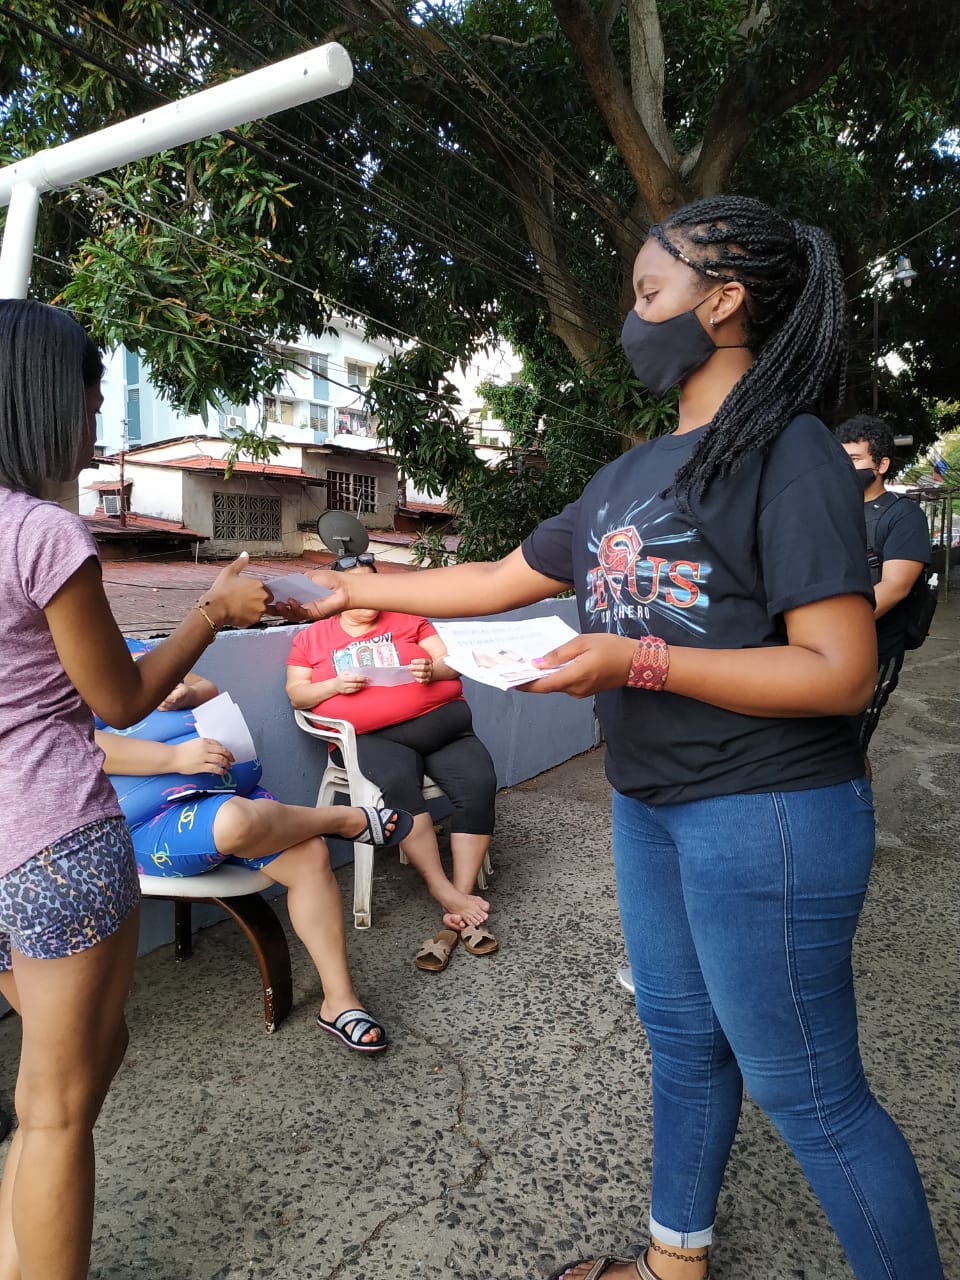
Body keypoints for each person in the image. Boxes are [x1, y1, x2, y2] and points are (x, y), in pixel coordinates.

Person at [291, 198, 943, 1280]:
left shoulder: (793, 453)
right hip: (649, 804)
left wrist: (637, 660)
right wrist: (345, 592)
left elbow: (838, 671)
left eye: (649, 293)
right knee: (683, 1044)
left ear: (722, 302)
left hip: (768, 810)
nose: (633, 318)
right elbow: (497, 578)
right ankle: (671, 1262)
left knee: (811, 1095)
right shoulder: (629, 476)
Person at [0, 299, 269, 1280]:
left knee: (69, 1072)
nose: (98, 422)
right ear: (45, 402)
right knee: (58, 1107)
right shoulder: (40, 534)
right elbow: (118, 699)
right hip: (51, 843)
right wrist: (212, 612)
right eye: (91, 400)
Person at [95, 639, 414, 1052]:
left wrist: (187, 695)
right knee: (238, 821)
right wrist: (173, 759)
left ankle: (339, 1001)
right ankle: (340, 819)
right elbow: (73, 745)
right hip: (144, 822)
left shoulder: (131, 647)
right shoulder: (42, 672)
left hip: (219, 787)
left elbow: (206, 688)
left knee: (308, 855)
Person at [285, 553, 499, 972]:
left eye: (372, 585)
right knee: (400, 785)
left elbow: (452, 664)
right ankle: (444, 891)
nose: (367, 596)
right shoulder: (312, 638)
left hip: (443, 727)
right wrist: (334, 685)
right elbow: (297, 694)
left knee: (479, 782)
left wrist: (431, 670)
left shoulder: (408, 618)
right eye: (356, 587)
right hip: (372, 738)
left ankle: (457, 901)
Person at [835, 414, 932, 757]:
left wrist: (834, 627)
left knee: (849, 747)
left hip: (873, 650)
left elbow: (895, 586)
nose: (845, 468)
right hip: (822, 647)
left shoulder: (903, 516)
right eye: (840, 459)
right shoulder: (831, 511)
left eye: (855, 459)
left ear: (882, 464)